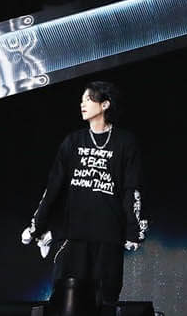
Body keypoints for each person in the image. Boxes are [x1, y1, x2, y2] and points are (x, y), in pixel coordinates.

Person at [21, 81, 147, 304]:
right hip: (75, 234)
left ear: (105, 104)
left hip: (108, 236)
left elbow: (131, 188)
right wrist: (37, 225)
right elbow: (53, 186)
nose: (82, 104)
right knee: (67, 299)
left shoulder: (125, 142)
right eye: (81, 100)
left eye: (88, 99)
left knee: (105, 300)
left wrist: (133, 231)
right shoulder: (73, 141)